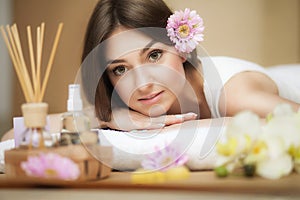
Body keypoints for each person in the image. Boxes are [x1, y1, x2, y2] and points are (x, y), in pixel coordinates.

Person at [78, 0, 300, 132]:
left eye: (154, 55)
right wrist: (113, 117)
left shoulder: (234, 94)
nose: (142, 84)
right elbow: (75, 119)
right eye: (121, 69)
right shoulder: (129, 102)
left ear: (181, 48)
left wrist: (183, 128)